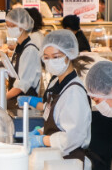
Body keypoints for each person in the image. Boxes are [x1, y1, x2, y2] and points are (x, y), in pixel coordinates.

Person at [26, 31, 91, 161]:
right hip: (55, 158)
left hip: (69, 162)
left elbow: (73, 138)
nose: (51, 62)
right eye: (46, 57)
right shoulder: (57, 82)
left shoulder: (74, 93)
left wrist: (42, 140)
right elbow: (60, 121)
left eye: (56, 57)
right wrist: (41, 131)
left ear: (69, 55)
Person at [4, 7, 42, 102]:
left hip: (26, 102)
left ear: (22, 27)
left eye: (12, 26)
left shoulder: (30, 50)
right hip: (17, 99)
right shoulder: (19, 47)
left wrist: (1, 99)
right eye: (7, 26)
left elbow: (21, 85)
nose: (9, 29)